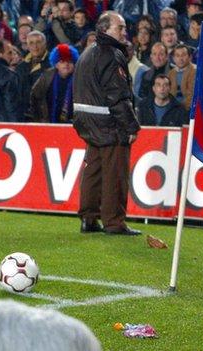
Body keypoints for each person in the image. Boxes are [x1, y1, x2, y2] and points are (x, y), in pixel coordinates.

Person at [72, 11, 142, 236]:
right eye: (119, 28)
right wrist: (131, 126)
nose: (124, 32)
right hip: (110, 123)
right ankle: (114, 222)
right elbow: (118, 96)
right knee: (115, 174)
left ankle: (89, 218)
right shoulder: (111, 54)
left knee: (94, 171)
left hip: (88, 122)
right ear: (104, 30)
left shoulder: (87, 53)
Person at [29, 43, 79, 123]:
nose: (66, 64)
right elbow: (35, 95)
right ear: (56, 64)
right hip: (49, 122)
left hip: (73, 124)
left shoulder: (79, 78)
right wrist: (38, 118)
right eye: (62, 61)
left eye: (69, 61)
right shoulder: (47, 76)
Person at [168, 44, 196, 111]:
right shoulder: (171, 73)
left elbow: (193, 95)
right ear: (174, 59)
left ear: (190, 57)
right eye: (177, 55)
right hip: (173, 109)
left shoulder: (196, 71)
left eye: (183, 55)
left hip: (190, 110)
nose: (180, 58)